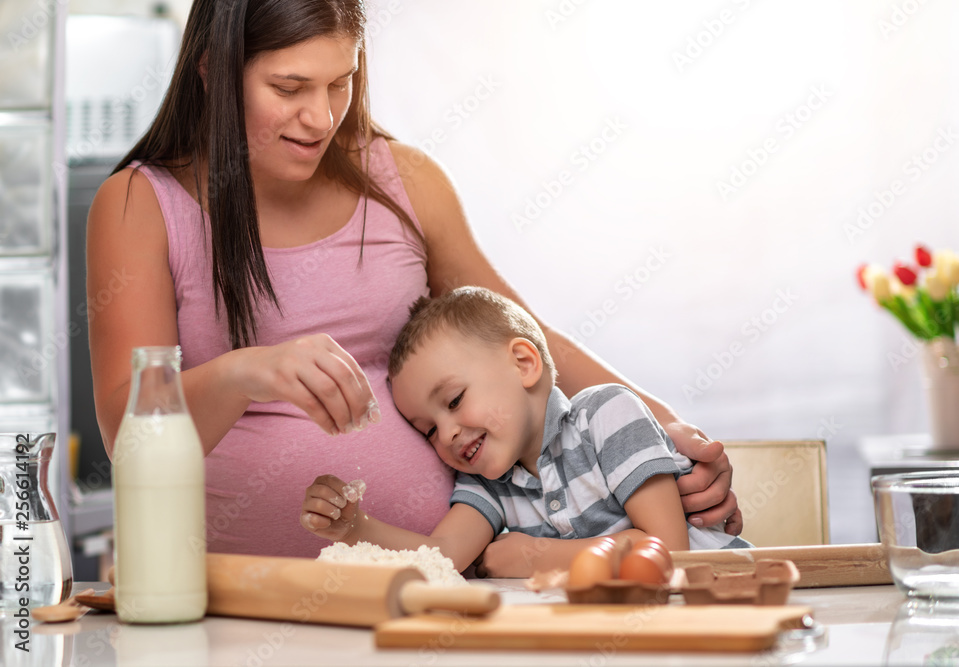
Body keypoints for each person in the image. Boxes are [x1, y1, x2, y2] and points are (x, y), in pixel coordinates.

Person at [86, 0, 742, 561]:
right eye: (289, 88)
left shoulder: (404, 179)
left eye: (340, 82)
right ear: (212, 73)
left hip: (442, 594)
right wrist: (246, 372)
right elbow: (126, 434)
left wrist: (666, 426)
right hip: (241, 602)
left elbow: (523, 339)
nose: (321, 117)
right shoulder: (140, 205)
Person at [301, 287, 750, 576]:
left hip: (718, 606)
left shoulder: (607, 414)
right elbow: (442, 556)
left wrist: (532, 557)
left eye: (454, 401)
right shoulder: (488, 483)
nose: (448, 435)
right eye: (429, 431)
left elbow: (666, 550)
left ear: (524, 363)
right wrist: (354, 526)